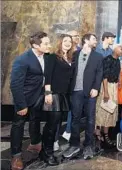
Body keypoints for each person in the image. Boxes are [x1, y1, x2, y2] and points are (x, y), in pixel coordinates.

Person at [10, 31, 51, 170]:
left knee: (36, 119)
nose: (48, 45)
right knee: (18, 125)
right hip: (24, 98)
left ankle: (35, 143)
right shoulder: (22, 60)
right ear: (35, 45)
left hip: (39, 96)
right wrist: (21, 105)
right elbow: (15, 84)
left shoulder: (47, 57)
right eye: (45, 43)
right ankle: (16, 156)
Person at [63, 33, 103, 160]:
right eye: (93, 39)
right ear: (86, 40)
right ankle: (74, 144)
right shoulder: (75, 54)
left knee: (90, 120)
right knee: (75, 118)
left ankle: (88, 145)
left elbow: (99, 73)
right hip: (75, 91)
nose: (96, 41)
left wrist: (96, 88)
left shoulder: (98, 56)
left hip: (90, 92)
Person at [39, 34, 75, 165]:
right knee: (52, 124)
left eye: (70, 41)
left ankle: (46, 150)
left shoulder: (70, 58)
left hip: (63, 95)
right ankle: (47, 152)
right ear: (60, 42)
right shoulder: (53, 57)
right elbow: (47, 75)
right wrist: (48, 93)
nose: (67, 43)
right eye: (65, 41)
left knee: (56, 123)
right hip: (53, 94)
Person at [95, 45, 122, 149]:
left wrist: (120, 81)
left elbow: (118, 73)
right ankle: (99, 133)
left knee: (110, 111)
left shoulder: (117, 61)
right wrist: (106, 92)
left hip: (114, 87)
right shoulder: (107, 59)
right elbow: (105, 77)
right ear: (114, 49)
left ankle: (105, 135)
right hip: (107, 87)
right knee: (103, 111)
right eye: (121, 49)